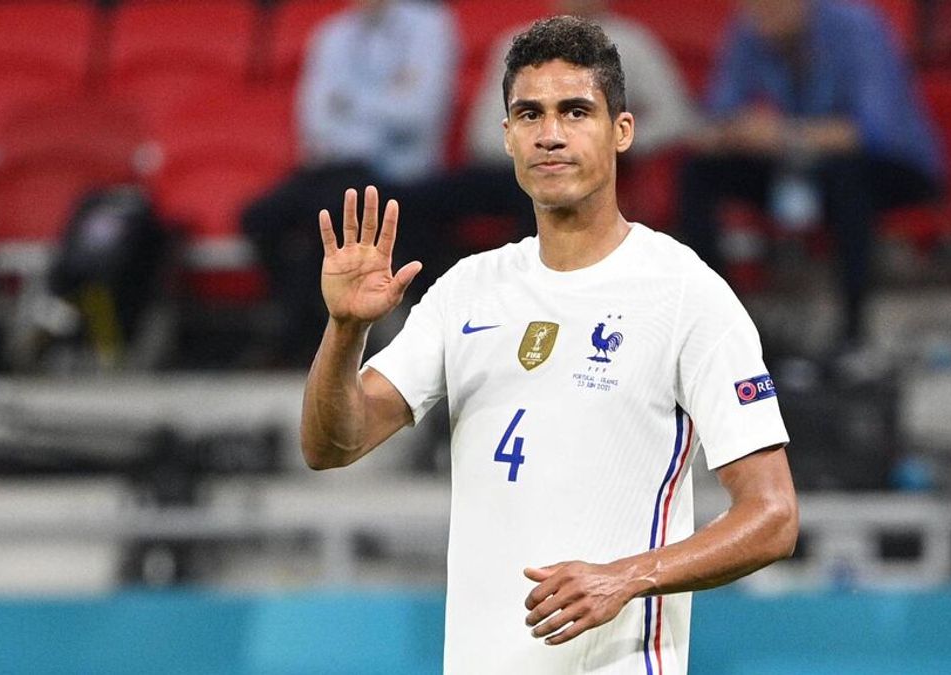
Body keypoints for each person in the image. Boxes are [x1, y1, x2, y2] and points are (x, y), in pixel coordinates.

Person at [301, 16, 797, 675]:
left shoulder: (685, 293)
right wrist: (344, 332)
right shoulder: (467, 290)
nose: (551, 134)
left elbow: (773, 515)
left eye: (576, 111)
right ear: (506, 136)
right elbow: (331, 444)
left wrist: (627, 576)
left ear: (622, 131)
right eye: (529, 113)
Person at [677, 0, 944, 349]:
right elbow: (718, 112)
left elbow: (872, 131)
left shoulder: (856, 27)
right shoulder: (750, 27)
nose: (760, 14)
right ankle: (723, 324)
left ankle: (852, 334)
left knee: (849, 178)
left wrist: (785, 134)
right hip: (804, 165)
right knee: (700, 171)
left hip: (891, 166)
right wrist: (734, 133)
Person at [399, 0, 699, 287]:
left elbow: (675, 118)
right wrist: (533, 145)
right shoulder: (517, 44)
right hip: (510, 168)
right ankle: (432, 299)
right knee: (413, 205)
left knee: (547, 198)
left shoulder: (631, 43)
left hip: (587, 170)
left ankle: (534, 298)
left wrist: (603, 142)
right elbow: (483, 135)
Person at [240, 0, 457, 364]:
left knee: (333, 207)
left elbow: (418, 114)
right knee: (260, 218)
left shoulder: (430, 27)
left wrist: (350, 106)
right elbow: (316, 121)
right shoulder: (332, 35)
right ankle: (308, 322)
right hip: (334, 168)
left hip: (401, 173)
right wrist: (385, 103)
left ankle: (325, 337)